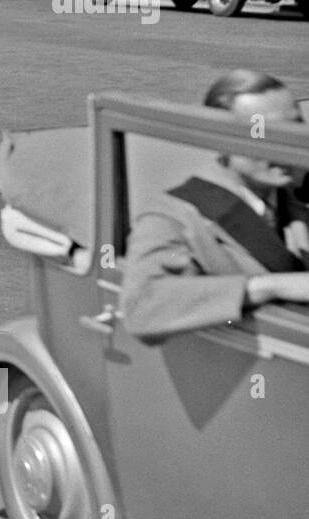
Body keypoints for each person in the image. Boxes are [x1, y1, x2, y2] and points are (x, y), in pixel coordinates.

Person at [121, 69, 309, 341]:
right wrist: (270, 287)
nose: (287, 144)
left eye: (296, 127)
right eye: (264, 132)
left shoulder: (294, 193)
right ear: (221, 141)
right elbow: (142, 307)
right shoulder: (175, 216)